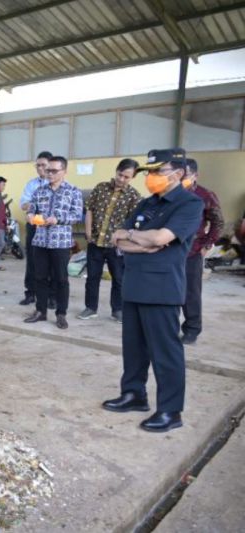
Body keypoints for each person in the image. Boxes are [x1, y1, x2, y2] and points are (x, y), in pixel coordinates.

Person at [102, 148, 203, 433]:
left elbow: (161, 238)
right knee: (133, 347)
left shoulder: (188, 204)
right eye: (150, 172)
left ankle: (171, 411)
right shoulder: (147, 203)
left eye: (159, 171)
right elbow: (117, 240)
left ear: (178, 173)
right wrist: (143, 241)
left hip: (161, 287)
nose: (152, 178)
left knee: (165, 352)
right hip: (134, 282)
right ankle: (134, 394)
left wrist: (136, 237)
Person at [77, 159, 141, 323]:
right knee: (92, 277)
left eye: (127, 177)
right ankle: (91, 308)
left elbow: (133, 222)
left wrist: (124, 239)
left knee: (118, 278)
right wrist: (88, 231)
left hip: (116, 246)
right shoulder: (101, 188)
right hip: (95, 242)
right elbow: (90, 209)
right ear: (116, 171)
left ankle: (117, 310)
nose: (122, 179)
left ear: (132, 177)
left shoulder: (133, 196)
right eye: (120, 175)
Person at [24, 156, 83, 329]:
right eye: (48, 170)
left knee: (61, 279)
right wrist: (30, 216)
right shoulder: (39, 191)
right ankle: (41, 311)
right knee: (40, 277)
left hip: (61, 242)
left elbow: (77, 215)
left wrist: (58, 219)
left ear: (64, 171)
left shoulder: (73, 191)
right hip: (40, 241)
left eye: (54, 170)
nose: (49, 173)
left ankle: (61, 314)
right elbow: (32, 210)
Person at [180, 158, 224, 345]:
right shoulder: (170, 193)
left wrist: (207, 244)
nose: (182, 178)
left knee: (191, 293)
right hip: (169, 251)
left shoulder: (205, 195)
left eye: (186, 174)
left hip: (192, 252)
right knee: (169, 291)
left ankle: (192, 329)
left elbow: (218, 222)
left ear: (195, 175)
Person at [19, 151, 55, 307]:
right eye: (38, 165)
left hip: (52, 227)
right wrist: (33, 206)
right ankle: (30, 293)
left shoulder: (57, 184)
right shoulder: (32, 184)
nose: (40, 168)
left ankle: (51, 296)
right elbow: (24, 204)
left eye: (44, 165)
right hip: (34, 225)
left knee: (52, 262)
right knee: (32, 261)